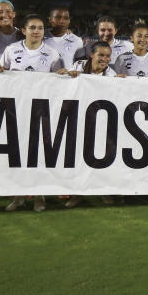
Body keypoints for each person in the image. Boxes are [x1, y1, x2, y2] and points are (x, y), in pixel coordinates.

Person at [0, 14, 65, 212]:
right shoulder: (11, 50)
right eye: (32, 27)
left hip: (42, 110)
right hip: (16, 109)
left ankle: (40, 197)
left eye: (40, 28)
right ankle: (19, 196)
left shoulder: (52, 53)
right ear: (23, 30)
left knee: (39, 154)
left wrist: (64, 75)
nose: (36, 31)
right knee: (17, 153)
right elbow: (1, 71)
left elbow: (59, 80)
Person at [64, 40, 117, 208]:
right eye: (101, 55)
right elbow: (64, 84)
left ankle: (104, 192)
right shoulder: (79, 67)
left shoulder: (111, 74)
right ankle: (76, 194)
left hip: (101, 123)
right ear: (91, 54)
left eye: (108, 56)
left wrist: (122, 83)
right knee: (78, 159)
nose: (104, 59)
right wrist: (64, 75)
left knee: (103, 158)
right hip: (79, 120)